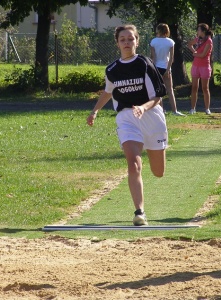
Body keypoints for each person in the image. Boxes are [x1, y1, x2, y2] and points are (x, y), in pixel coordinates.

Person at [86, 25, 167, 226]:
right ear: (117, 43)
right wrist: (95, 110)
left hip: (151, 117)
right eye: (122, 39)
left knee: (158, 172)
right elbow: (108, 91)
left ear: (137, 41)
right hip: (127, 118)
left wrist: (143, 107)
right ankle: (139, 212)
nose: (126, 43)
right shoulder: (112, 69)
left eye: (130, 39)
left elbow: (157, 96)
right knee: (133, 164)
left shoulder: (145, 64)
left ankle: (151, 150)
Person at [150, 23, 185, 116]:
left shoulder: (153, 41)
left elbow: (153, 57)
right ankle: (175, 110)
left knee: (158, 90)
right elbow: (171, 58)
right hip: (166, 67)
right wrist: (168, 69)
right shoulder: (170, 42)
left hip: (156, 68)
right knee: (170, 90)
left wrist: (152, 69)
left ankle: (161, 110)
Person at [187, 23, 213, 115]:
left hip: (205, 66)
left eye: (199, 30)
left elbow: (203, 55)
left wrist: (195, 54)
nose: (197, 32)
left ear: (203, 31)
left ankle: (207, 109)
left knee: (205, 88)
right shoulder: (197, 40)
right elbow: (189, 44)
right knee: (194, 87)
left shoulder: (209, 41)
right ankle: (193, 108)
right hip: (196, 66)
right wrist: (194, 51)